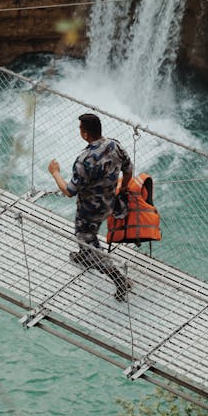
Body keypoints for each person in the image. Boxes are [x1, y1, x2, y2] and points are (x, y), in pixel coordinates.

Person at [48, 112, 133, 301]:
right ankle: (83, 254)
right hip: (110, 203)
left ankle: (120, 280)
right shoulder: (114, 145)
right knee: (89, 236)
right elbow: (128, 169)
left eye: (80, 129)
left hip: (89, 211)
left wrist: (55, 173)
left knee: (89, 242)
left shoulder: (85, 159)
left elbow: (70, 191)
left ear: (85, 134)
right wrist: (124, 188)